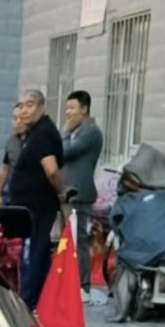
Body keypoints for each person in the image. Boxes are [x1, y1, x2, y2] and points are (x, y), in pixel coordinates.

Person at [6, 88, 70, 309]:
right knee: (34, 250)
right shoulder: (33, 132)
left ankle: (29, 298)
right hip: (28, 204)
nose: (24, 110)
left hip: (39, 204)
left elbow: (51, 170)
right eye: (21, 105)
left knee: (36, 250)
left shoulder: (44, 133)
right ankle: (34, 296)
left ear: (42, 107)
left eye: (30, 105)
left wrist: (61, 191)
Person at [61, 89, 104, 304]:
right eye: (67, 108)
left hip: (80, 194)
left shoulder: (90, 131)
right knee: (68, 241)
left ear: (84, 109)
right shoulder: (77, 130)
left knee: (80, 241)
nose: (68, 112)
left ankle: (83, 287)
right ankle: (69, 283)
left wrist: (65, 132)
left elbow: (64, 151)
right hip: (67, 193)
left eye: (72, 108)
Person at [0, 105, 25, 206]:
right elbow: (5, 168)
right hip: (13, 197)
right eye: (15, 118)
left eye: (21, 118)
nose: (17, 122)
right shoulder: (11, 141)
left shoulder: (36, 139)